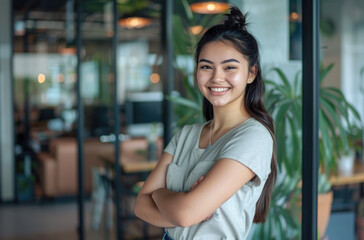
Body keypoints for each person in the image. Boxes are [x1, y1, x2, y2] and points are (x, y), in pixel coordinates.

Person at [134, 6, 277, 240]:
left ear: (251, 73)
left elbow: (186, 213)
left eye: (229, 67)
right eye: (206, 67)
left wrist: (159, 195)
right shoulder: (186, 135)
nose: (216, 78)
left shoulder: (254, 136)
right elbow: (140, 205)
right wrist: (180, 206)